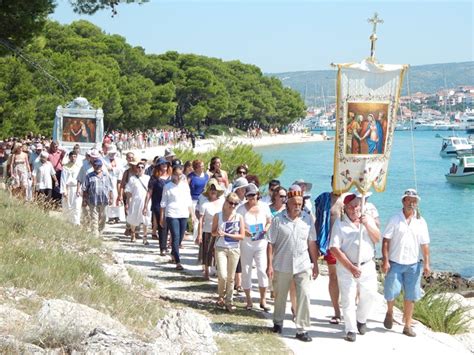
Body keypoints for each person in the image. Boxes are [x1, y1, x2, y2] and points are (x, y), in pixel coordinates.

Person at [266, 186, 319, 342]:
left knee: (304, 295)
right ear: (287, 203)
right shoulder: (278, 220)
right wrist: (269, 265)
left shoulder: (307, 219)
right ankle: (278, 322)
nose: (297, 206)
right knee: (280, 295)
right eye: (295, 203)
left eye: (300, 203)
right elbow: (270, 243)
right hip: (282, 264)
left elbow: (312, 242)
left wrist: (315, 263)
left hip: (302, 264)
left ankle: (302, 329)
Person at [329, 193, 381, 342]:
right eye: (351, 207)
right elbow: (334, 248)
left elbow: (377, 238)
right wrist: (351, 267)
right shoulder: (340, 224)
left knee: (370, 294)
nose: (354, 209)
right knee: (348, 298)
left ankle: (361, 319)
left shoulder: (367, 219)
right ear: (345, 208)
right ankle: (350, 329)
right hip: (347, 267)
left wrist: (368, 225)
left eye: (356, 206)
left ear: (361, 206)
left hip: (367, 265)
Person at [382, 189, 431, 338]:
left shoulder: (420, 221)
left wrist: (427, 264)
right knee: (391, 292)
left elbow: (425, 244)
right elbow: (386, 240)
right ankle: (390, 312)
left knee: (411, 295)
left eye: (414, 200)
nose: (412, 203)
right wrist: (385, 260)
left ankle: (407, 325)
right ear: (403, 201)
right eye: (409, 200)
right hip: (395, 262)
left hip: (414, 264)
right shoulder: (395, 218)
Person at [237, 183, 272, 311]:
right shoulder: (241, 209)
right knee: (246, 270)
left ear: (258, 195)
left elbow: (269, 221)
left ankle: (263, 300)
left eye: (254, 195)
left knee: (262, 270)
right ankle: (248, 300)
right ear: (246, 196)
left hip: (261, 243)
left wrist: (264, 231)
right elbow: (237, 224)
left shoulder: (264, 207)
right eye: (249, 195)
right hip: (246, 243)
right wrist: (245, 231)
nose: (252, 198)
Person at [212, 192, 245, 311]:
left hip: (234, 249)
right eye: (231, 203)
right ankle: (221, 296)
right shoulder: (218, 215)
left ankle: (229, 300)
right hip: (221, 247)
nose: (233, 206)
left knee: (231, 277)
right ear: (226, 202)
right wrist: (218, 233)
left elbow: (242, 236)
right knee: (222, 275)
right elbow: (213, 232)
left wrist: (226, 234)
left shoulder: (239, 217)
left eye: (235, 204)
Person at [160, 159, 196, 271]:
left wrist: (193, 214)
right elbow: (163, 202)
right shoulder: (168, 186)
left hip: (183, 213)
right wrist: (162, 217)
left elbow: (189, 200)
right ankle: (178, 261)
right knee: (175, 236)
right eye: (176, 175)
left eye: (180, 175)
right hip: (172, 213)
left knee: (180, 238)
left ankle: (173, 252)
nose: (178, 177)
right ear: (173, 174)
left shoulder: (185, 186)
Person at [198, 178, 225, 279]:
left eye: (214, 188)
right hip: (208, 230)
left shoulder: (222, 202)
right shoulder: (204, 204)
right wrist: (200, 234)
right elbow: (201, 220)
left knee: (219, 251)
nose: (213, 191)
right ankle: (206, 271)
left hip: (220, 231)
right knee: (207, 251)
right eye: (211, 188)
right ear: (208, 191)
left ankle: (219, 270)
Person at [144, 157, 170, 255]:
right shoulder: (154, 178)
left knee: (168, 226)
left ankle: (167, 244)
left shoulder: (171, 177)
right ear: (158, 166)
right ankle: (162, 248)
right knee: (162, 225)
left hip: (170, 205)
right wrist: (145, 205)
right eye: (163, 164)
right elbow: (149, 192)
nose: (165, 166)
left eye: (166, 164)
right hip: (158, 204)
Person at [82, 159, 113, 237]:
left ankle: (100, 231)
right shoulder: (89, 176)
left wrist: (111, 198)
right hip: (93, 200)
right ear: (93, 166)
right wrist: (84, 200)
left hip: (104, 200)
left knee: (104, 216)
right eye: (96, 165)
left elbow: (110, 188)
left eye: (99, 165)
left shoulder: (106, 175)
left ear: (101, 166)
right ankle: (95, 234)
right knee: (94, 218)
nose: (97, 167)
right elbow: (85, 189)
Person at [125, 160, 151, 244]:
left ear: (144, 169)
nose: (140, 169)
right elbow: (128, 191)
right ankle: (133, 234)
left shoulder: (148, 178)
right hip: (135, 201)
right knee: (133, 218)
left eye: (142, 167)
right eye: (138, 167)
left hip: (145, 201)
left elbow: (150, 190)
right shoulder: (132, 178)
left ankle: (145, 237)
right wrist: (127, 203)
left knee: (145, 219)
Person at [60, 151, 81, 225]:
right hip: (68, 188)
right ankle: (67, 221)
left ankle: (76, 222)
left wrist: (80, 189)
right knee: (67, 205)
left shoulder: (78, 167)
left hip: (76, 188)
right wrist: (64, 191)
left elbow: (80, 179)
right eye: (72, 156)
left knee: (76, 205)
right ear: (69, 157)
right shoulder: (65, 167)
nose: (73, 158)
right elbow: (63, 179)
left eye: (75, 156)